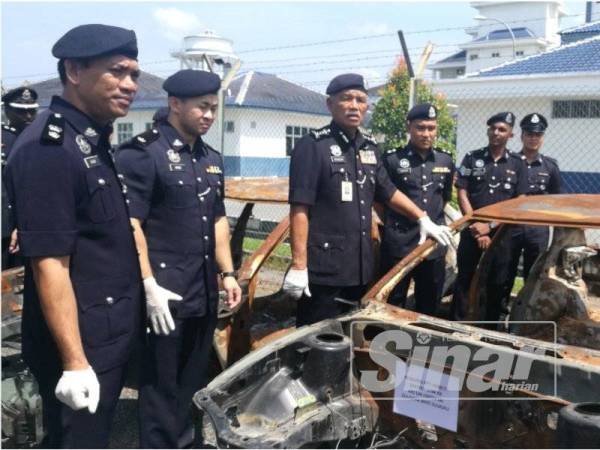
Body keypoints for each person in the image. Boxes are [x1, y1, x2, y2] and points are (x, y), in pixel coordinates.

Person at [4, 24, 142, 448]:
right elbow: (49, 262)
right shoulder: (50, 148)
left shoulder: (91, 140)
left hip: (105, 330)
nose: (130, 85)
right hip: (81, 343)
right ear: (74, 71)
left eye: (134, 75)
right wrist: (75, 361)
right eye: (117, 72)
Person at [115, 69, 242, 448]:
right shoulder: (143, 153)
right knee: (159, 384)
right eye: (201, 107)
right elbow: (131, 223)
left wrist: (228, 273)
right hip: (163, 295)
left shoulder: (210, 158)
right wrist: (148, 284)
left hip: (201, 291)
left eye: (213, 108)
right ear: (174, 104)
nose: (208, 115)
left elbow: (218, 218)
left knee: (192, 380)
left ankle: (185, 442)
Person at [283, 73, 453, 326]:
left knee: (350, 335)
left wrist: (422, 217)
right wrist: (298, 265)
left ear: (367, 106)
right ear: (330, 105)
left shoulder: (369, 147)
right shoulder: (314, 146)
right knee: (315, 339)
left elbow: (387, 191)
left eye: (360, 100)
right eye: (346, 99)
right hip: (325, 268)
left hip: (360, 266)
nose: (354, 105)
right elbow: (300, 208)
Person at [380, 103, 455, 315]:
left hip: (433, 246)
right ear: (409, 128)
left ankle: (422, 344)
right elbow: (382, 200)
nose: (426, 134)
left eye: (431, 128)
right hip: (399, 243)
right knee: (392, 300)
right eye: (420, 128)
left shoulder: (445, 160)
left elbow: (445, 198)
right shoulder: (392, 159)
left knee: (429, 301)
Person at [451, 112, 525, 322]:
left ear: (511, 134)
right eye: (492, 128)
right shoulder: (472, 157)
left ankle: (489, 331)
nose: (496, 132)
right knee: (464, 279)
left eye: (502, 129)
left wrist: (490, 226)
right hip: (472, 233)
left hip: (502, 237)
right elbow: (462, 192)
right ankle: (456, 325)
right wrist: (476, 226)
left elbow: (518, 202)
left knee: (497, 283)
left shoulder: (518, 163)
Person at [505, 113, 561, 294]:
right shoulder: (509, 162)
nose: (533, 138)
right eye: (529, 134)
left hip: (537, 229)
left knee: (534, 276)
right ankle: (498, 318)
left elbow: (556, 198)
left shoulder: (550, 166)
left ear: (542, 138)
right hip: (510, 226)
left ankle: (526, 319)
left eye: (537, 135)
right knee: (504, 274)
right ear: (522, 136)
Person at [1, 86, 39, 268]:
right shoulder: (5, 139)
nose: (28, 117)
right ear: (7, 110)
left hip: (32, 226)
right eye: (21, 111)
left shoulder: (38, 139)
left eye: (32, 111)